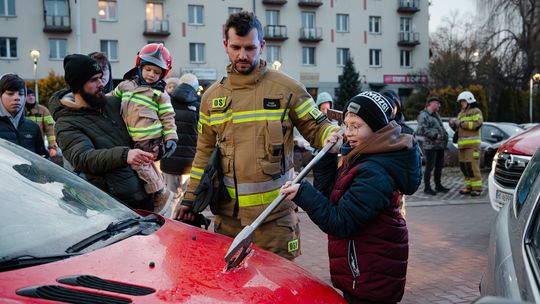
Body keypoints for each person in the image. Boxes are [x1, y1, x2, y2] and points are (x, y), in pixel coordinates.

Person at [174, 11, 340, 260]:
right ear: (225, 46)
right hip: (229, 222)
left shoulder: (288, 89)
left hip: (274, 221)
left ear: (262, 45)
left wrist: (332, 133)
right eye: (236, 47)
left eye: (250, 48)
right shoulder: (210, 98)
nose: (242, 55)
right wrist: (189, 199)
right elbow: (203, 155)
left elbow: (317, 128)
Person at [280, 91, 422, 304]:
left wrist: (303, 193)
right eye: (347, 125)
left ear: (376, 128)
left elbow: (341, 222)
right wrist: (326, 156)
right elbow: (330, 197)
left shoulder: (375, 171)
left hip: (371, 277)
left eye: (357, 126)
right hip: (360, 272)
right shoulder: (361, 156)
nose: (349, 133)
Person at [49, 54, 155, 211]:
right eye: (93, 80)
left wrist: (158, 144)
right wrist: (125, 155)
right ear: (78, 86)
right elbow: (82, 158)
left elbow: (142, 127)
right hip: (111, 206)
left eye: (100, 77)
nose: (101, 83)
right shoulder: (66, 123)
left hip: (143, 195)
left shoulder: (112, 103)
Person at [111, 43, 178, 213]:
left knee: (139, 164)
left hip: (150, 138)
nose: (151, 75)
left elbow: (168, 118)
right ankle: (157, 191)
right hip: (130, 137)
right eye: (148, 69)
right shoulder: (125, 86)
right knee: (145, 165)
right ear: (139, 66)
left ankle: (160, 193)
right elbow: (109, 100)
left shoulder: (160, 95)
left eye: (157, 72)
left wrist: (171, 138)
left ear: (163, 74)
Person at [160, 73, 200, 213]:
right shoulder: (198, 104)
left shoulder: (167, 102)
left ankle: (168, 223)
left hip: (169, 157)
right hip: (190, 161)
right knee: (186, 198)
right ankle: (181, 225)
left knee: (169, 196)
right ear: (195, 88)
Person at [0, 74, 48, 157]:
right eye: (10, 93)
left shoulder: (33, 127)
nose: (17, 98)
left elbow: (42, 159)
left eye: (21, 94)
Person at [451, 91, 483, 196]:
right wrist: (453, 124)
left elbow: (477, 124)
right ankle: (468, 187)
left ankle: (477, 188)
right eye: (460, 101)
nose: (461, 103)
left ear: (469, 100)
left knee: (473, 167)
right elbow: (458, 127)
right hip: (462, 146)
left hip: (472, 146)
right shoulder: (461, 113)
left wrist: (461, 123)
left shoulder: (476, 111)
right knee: (464, 167)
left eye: (463, 101)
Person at [416, 96, 450, 195]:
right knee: (430, 167)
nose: (439, 105)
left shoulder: (436, 115)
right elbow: (421, 129)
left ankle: (438, 186)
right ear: (431, 103)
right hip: (430, 146)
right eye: (437, 103)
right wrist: (434, 135)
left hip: (440, 145)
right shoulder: (424, 115)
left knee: (439, 167)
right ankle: (427, 188)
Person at [24, 88, 57, 157]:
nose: (31, 97)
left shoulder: (43, 110)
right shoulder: (19, 110)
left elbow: (50, 130)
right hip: (22, 145)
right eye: (28, 95)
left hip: (39, 146)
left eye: (33, 95)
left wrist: (52, 147)